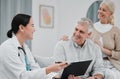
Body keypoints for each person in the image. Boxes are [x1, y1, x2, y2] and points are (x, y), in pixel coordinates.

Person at [0, 14, 68, 79]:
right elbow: (22, 76)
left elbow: (35, 70)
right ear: (21, 28)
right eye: (32, 25)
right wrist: (49, 69)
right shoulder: (8, 48)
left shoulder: (25, 48)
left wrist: (57, 76)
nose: (34, 30)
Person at [90, 0, 120, 79]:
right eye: (99, 8)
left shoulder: (116, 30)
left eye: (104, 10)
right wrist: (67, 39)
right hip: (95, 64)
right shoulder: (91, 28)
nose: (100, 11)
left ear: (111, 14)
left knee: (112, 75)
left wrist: (102, 49)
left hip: (112, 65)